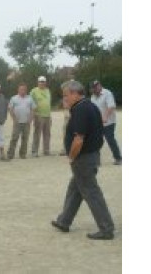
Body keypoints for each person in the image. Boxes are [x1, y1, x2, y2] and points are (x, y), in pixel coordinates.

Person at [51, 80, 115, 240]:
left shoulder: (80, 109)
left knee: (91, 192)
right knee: (75, 189)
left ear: (74, 93)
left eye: (66, 95)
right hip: (90, 156)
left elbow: (78, 139)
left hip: (83, 159)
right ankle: (64, 221)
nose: (64, 99)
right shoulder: (90, 105)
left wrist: (71, 157)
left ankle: (106, 228)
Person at [90, 80, 122, 165]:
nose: (95, 89)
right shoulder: (93, 97)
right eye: (93, 88)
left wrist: (105, 117)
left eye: (96, 86)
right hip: (97, 123)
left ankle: (118, 158)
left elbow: (111, 106)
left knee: (110, 139)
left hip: (109, 122)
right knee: (96, 141)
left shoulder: (107, 93)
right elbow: (92, 109)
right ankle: (96, 161)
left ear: (100, 85)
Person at [7, 83, 36, 160]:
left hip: (26, 122)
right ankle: (10, 154)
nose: (23, 91)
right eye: (21, 89)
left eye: (24, 89)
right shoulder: (14, 98)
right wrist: (14, 119)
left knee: (25, 139)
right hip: (17, 122)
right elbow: (10, 109)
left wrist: (30, 119)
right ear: (18, 90)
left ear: (26, 90)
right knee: (14, 138)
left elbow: (33, 109)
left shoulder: (30, 98)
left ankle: (23, 154)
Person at [30, 75, 52, 157]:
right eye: (40, 81)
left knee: (47, 134)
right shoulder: (34, 91)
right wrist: (34, 113)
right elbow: (30, 102)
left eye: (43, 81)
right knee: (37, 134)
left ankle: (46, 150)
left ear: (45, 82)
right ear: (38, 82)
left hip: (47, 115)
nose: (42, 83)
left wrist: (50, 116)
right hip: (38, 115)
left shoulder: (48, 90)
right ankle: (34, 151)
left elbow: (48, 103)